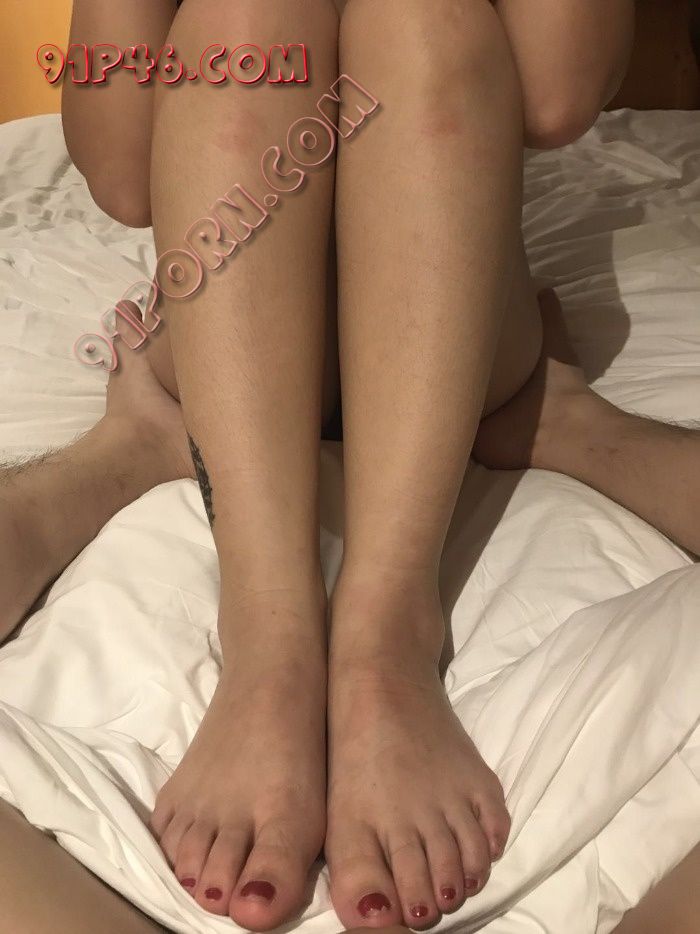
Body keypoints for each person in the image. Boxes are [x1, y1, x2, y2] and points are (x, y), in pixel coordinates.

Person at [2, 1, 698, 931]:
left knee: (421, 13)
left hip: (454, 342)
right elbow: (125, 177)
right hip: (222, 355)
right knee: (247, 13)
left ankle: (384, 640)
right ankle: (269, 642)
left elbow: (559, 95)